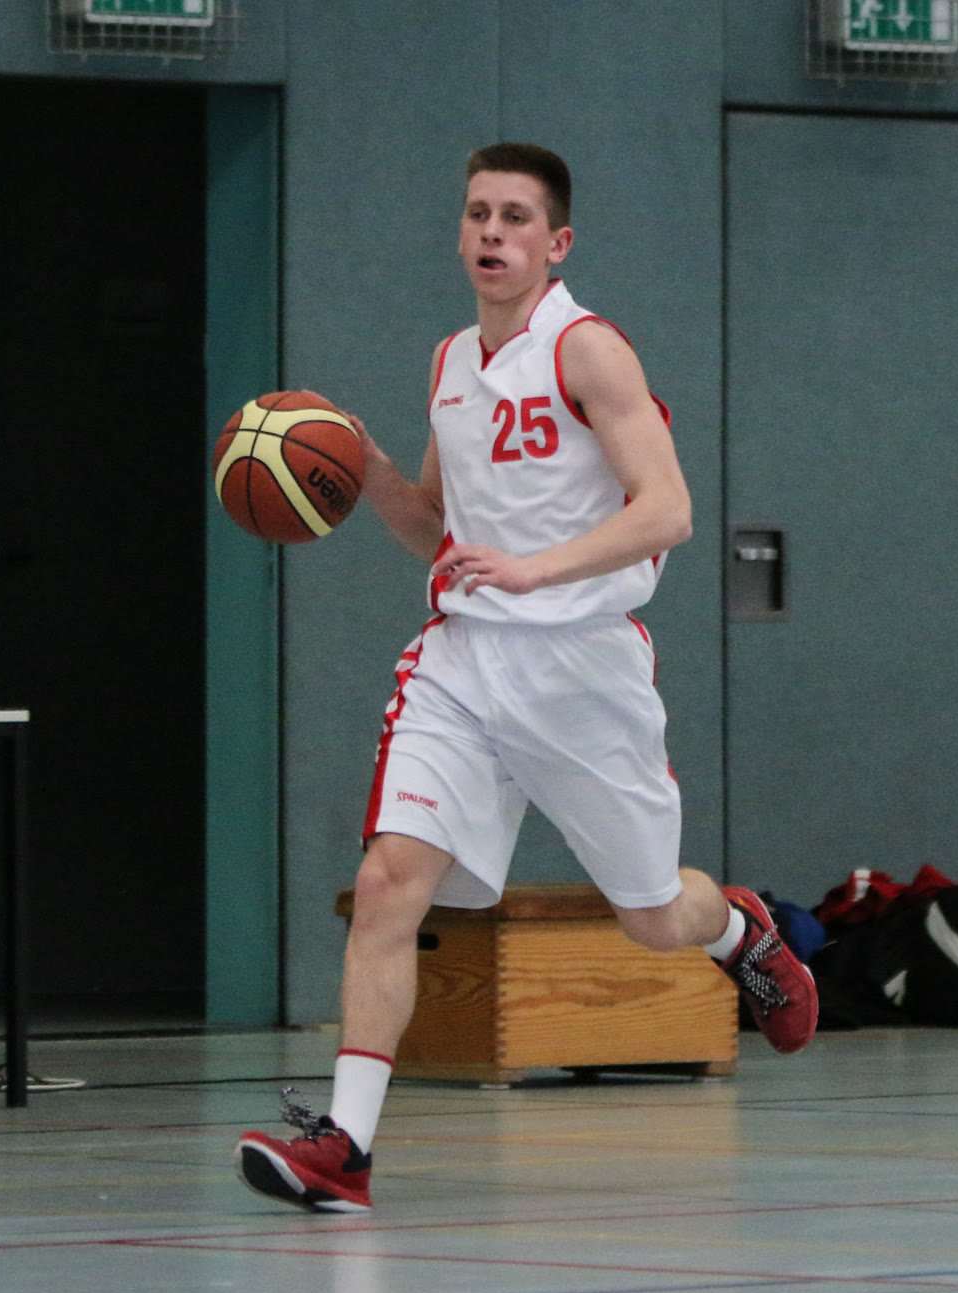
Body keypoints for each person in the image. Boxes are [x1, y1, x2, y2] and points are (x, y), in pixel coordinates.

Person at [234, 143, 818, 1213]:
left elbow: (668, 512)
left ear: (556, 243)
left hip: (581, 666)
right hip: (462, 661)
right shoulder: (450, 361)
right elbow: (440, 534)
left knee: (652, 917)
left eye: (514, 217)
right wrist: (362, 465)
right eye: (477, 214)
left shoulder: (587, 350)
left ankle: (739, 929)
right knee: (386, 884)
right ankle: (343, 1148)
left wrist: (537, 569)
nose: (491, 233)